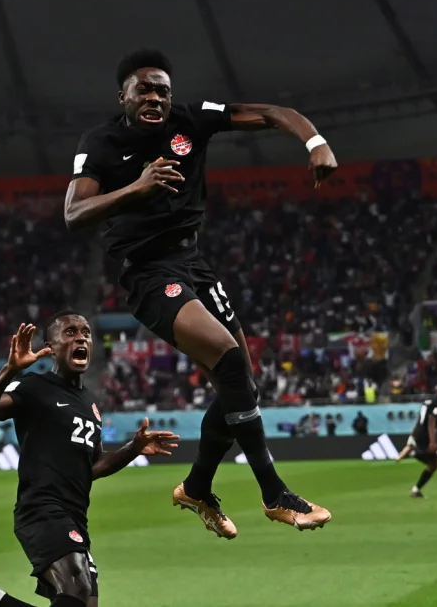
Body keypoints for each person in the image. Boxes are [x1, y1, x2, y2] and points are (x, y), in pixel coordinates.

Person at [62, 48, 336, 538]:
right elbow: (74, 213)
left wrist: (315, 141)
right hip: (148, 273)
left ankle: (196, 488)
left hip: (195, 265)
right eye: (144, 89)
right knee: (228, 360)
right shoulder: (100, 142)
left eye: (163, 91)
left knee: (241, 386)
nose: (155, 98)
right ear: (123, 96)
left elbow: (273, 113)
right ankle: (275, 494)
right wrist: (137, 188)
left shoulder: (190, 121)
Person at [0, 313, 179, 607]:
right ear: (51, 346)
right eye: (70, 332)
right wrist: (10, 370)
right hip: (43, 509)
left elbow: (93, 467)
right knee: (77, 589)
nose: (81, 337)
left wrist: (133, 448)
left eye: (86, 332)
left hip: (75, 516)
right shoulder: (34, 386)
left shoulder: (90, 402)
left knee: (82, 603)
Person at [395, 388, 437, 498]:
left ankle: (416, 490)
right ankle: (414, 453)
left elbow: (423, 419)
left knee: (435, 462)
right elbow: (431, 420)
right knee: (436, 462)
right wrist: (432, 442)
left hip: (418, 432)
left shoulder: (428, 402)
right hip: (424, 436)